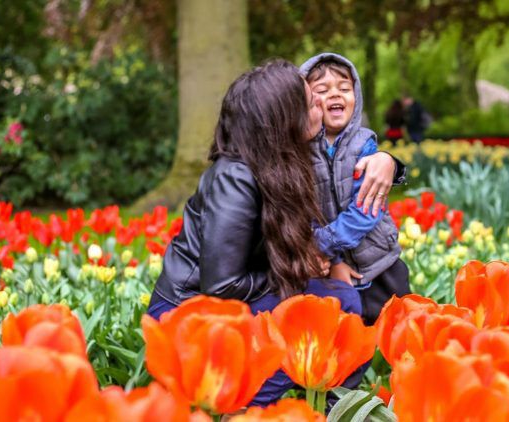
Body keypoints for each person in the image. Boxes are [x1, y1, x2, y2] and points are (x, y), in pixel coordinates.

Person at [146, 60, 365, 407]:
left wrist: (388, 162)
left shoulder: (282, 163)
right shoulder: (235, 179)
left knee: (340, 304)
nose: (320, 105)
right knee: (329, 310)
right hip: (189, 314)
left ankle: (314, 406)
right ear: (284, 121)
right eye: (310, 102)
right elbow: (219, 286)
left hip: (234, 298)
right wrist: (298, 269)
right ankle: (244, 405)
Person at [300, 53, 411, 327]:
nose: (335, 95)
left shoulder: (364, 144)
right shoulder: (300, 152)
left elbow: (367, 209)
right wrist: (332, 259)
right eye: (322, 90)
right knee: (348, 333)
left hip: (379, 262)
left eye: (344, 88)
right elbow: (305, 211)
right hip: (332, 269)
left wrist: (323, 244)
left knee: (397, 330)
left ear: (356, 95)